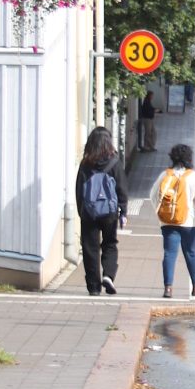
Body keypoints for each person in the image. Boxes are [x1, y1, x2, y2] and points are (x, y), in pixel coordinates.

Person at [151, 142, 195, 299]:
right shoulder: (194, 177)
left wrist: (159, 213)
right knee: (191, 252)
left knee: (169, 254)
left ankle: (168, 288)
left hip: (168, 222)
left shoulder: (165, 175)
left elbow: (153, 195)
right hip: (189, 223)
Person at [75, 127, 128, 297]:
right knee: (110, 243)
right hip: (109, 212)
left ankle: (93, 287)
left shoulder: (85, 164)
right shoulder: (114, 162)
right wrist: (123, 211)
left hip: (89, 212)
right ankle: (108, 275)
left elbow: (79, 190)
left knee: (90, 248)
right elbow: (121, 188)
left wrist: (81, 211)